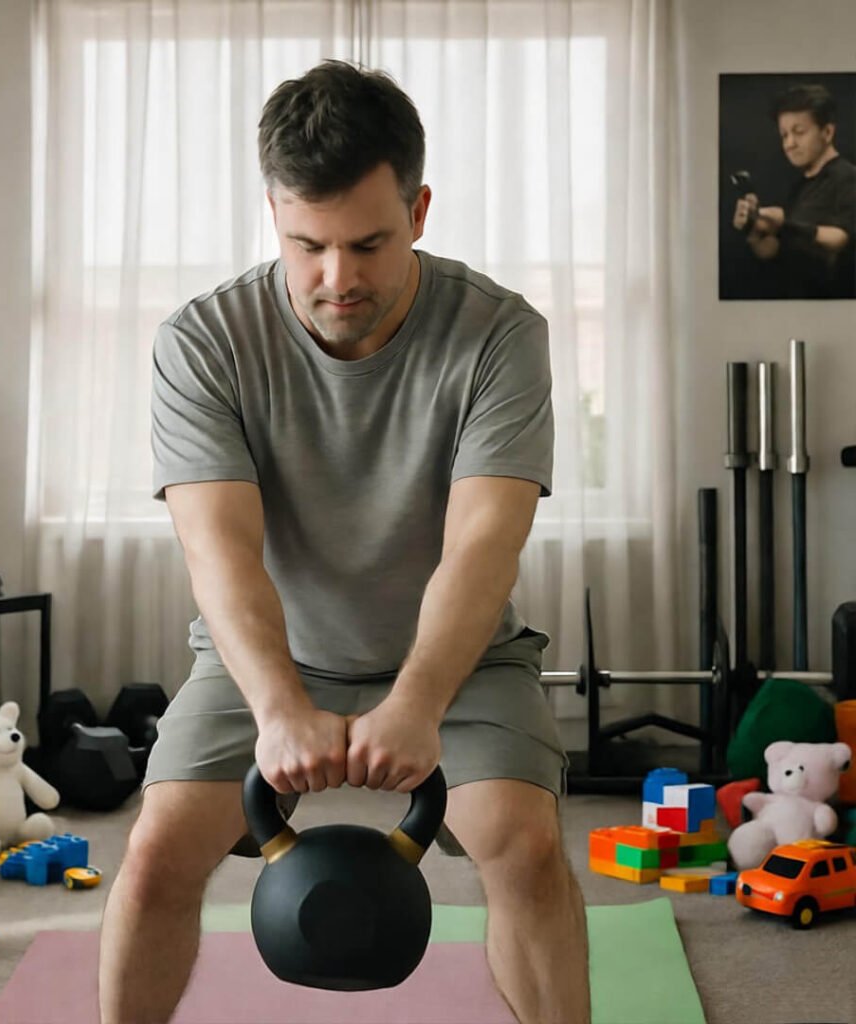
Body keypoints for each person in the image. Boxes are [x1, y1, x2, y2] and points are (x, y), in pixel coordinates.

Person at [98, 60, 589, 1024]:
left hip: (461, 660)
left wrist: (417, 701)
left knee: (527, 849)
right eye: (305, 244)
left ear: (420, 208)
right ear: (274, 212)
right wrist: (277, 705)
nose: (336, 278)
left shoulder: (496, 333)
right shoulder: (204, 340)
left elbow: (485, 542)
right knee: (154, 854)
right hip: (266, 657)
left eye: (368, 243)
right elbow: (220, 553)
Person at [732, 83, 856, 298]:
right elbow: (775, 250)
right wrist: (755, 230)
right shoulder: (799, 186)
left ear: (827, 132)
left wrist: (784, 224)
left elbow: (840, 238)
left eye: (799, 132)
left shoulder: (848, 177)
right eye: (784, 135)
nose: (789, 144)